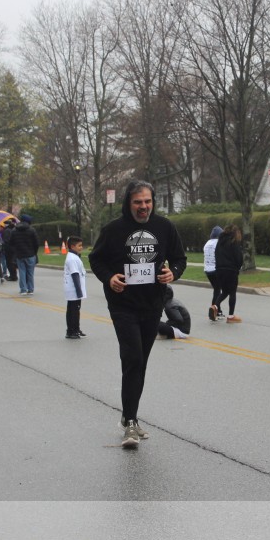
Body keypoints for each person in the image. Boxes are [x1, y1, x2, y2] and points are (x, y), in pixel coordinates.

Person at [88, 180, 187, 449]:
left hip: (152, 304)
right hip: (123, 305)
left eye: (147, 201)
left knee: (140, 361)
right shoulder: (113, 230)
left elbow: (179, 259)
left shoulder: (164, 227)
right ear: (128, 203)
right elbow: (96, 259)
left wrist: (173, 273)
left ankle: (128, 415)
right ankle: (130, 422)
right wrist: (110, 278)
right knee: (132, 357)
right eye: (137, 202)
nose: (143, 207)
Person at [213, 224, 243, 323]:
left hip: (219, 270)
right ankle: (231, 316)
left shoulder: (219, 242)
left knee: (225, 292)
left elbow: (216, 255)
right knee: (232, 292)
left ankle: (215, 306)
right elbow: (238, 258)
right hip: (231, 270)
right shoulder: (234, 242)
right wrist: (238, 267)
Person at [63, 235, 87, 339]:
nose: (81, 247)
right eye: (79, 245)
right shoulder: (72, 259)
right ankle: (71, 331)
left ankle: (76, 329)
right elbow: (75, 274)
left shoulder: (74, 256)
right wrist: (79, 291)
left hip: (75, 289)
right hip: (74, 290)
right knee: (73, 311)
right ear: (72, 246)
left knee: (75, 310)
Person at [11, 215, 39, 295]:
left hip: (20, 254)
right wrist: (34, 252)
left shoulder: (14, 230)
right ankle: (30, 289)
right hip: (30, 254)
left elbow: (11, 242)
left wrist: (16, 250)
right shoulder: (32, 230)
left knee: (22, 271)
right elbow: (36, 243)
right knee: (30, 272)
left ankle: (23, 289)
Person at [203, 226, 222, 321]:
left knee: (217, 290)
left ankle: (218, 310)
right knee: (218, 290)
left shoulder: (207, 243)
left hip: (208, 270)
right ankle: (214, 309)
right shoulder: (219, 243)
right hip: (216, 270)